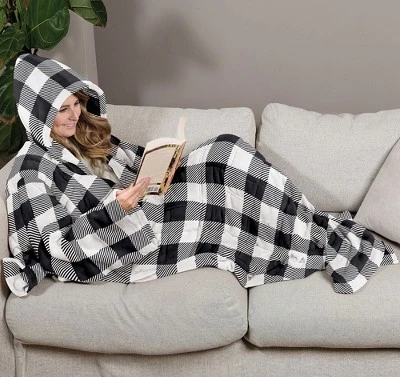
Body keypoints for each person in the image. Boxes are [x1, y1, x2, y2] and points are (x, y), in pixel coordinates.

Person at [3, 54, 398, 297]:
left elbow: (135, 163)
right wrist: (115, 209)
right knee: (218, 202)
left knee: (226, 150)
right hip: (127, 245)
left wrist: (162, 162)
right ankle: (321, 240)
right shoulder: (31, 173)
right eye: (61, 110)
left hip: (149, 207)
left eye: (75, 103)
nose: (74, 115)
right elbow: (53, 251)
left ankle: (315, 227)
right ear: (38, 113)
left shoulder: (86, 136)